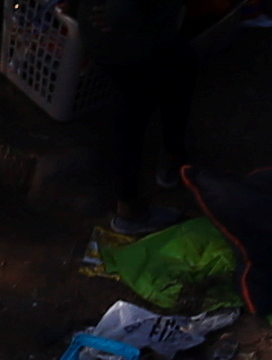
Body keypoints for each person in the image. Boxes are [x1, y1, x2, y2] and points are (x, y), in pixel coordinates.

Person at [69, 0, 198, 227]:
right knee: (131, 118)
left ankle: (172, 156)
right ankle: (129, 211)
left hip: (117, 35)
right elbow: (119, 13)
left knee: (180, 70)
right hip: (132, 43)